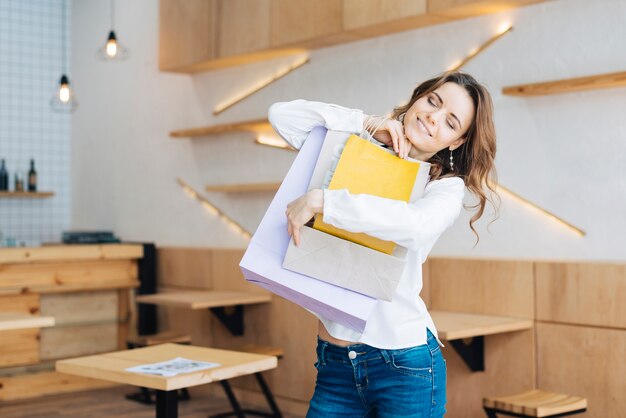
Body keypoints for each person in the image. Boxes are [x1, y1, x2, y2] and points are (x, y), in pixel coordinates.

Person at [268, 71, 498, 418]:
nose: (433, 118)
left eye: (450, 122)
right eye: (432, 101)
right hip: (335, 364)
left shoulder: (444, 188)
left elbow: (415, 225)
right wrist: (366, 122)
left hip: (404, 366)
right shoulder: (355, 147)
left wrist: (325, 201)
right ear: (418, 97)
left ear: (456, 142)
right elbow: (281, 116)